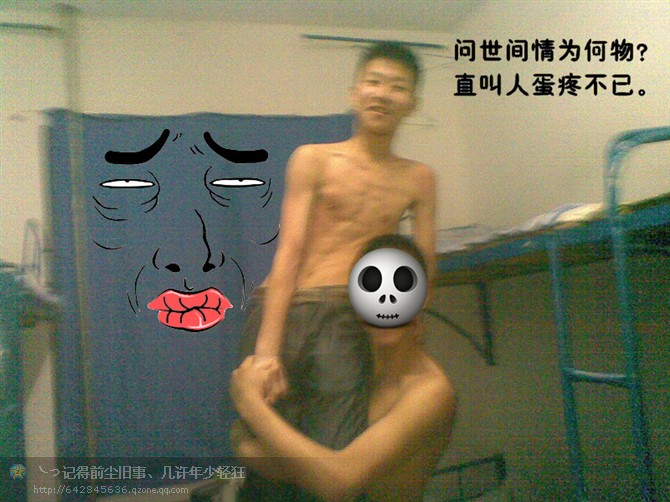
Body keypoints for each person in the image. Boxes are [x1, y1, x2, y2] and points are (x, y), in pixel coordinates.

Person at [237, 41, 436, 499]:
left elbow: (422, 265)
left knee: (334, 448)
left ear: (412, 103)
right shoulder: (313, 158)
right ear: (354, 92)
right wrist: (267, 350)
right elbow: (289, 250)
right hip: (283, 307)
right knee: (260, 442)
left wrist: (409, 337)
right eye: (374, 82)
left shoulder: (418, 178)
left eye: (397, 86)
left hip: (348, 317)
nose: (382, 94)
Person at [231, 234, 456, 501]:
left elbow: (339, 480)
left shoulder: (431, 391)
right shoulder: (351, 369)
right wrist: (249, 446)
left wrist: (250, 404)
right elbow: (312, 469)